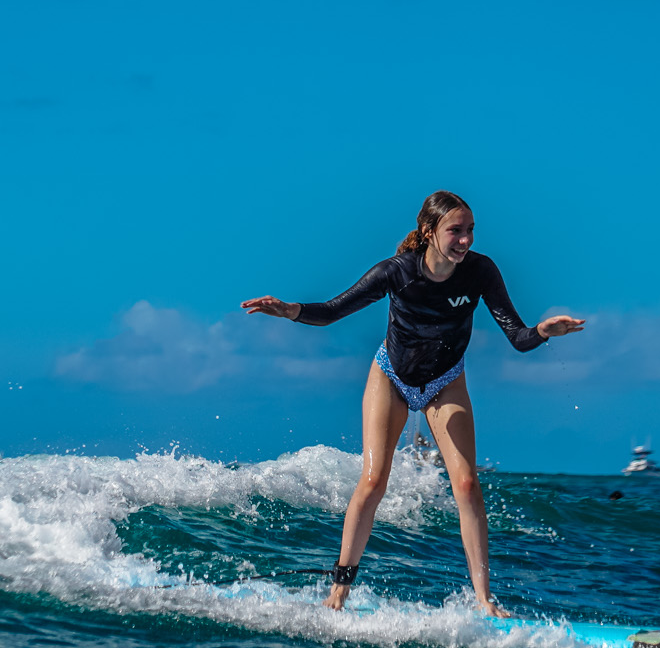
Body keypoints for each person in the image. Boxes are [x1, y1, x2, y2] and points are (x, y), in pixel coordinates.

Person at [243, 191, 584, 613]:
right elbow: (333, 310)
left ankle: (484, 600)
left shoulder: (480, 272)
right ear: (429, 233)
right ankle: (339, 590)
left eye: (470, 230)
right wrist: (290, 310)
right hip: (392, 376)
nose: (465, 240)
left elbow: (517, 337)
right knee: (373, 482)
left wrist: (545, 331)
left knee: (466, 484)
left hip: (445, 381)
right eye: (455, 231)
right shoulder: (397, 272)